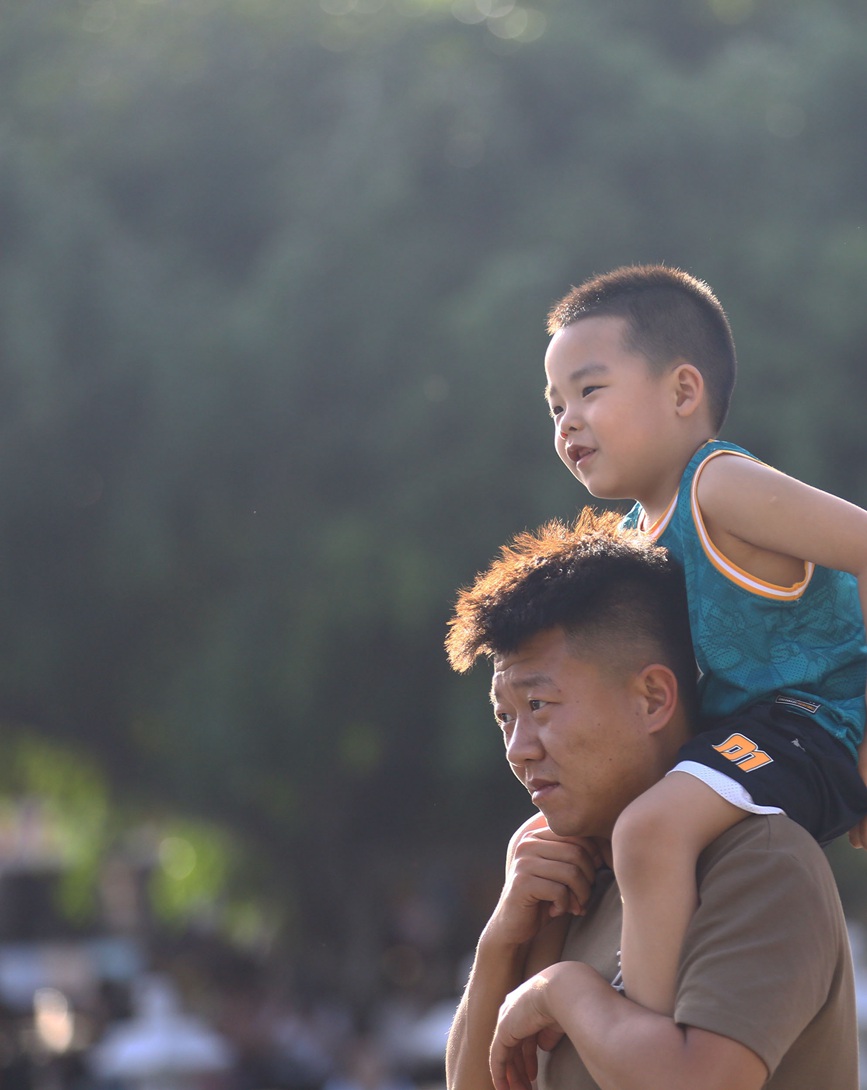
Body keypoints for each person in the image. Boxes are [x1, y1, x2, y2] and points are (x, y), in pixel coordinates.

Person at [543, 264, 867, 1015]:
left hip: (812, 726)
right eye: (554, 405)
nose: (566, 421)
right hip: (735, 743)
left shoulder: (718, 486)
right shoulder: (629, 538)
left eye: (590, 391)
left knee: (649, 833)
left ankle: (647, 1034)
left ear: (683, 391)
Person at [444, 510, 858, 1090]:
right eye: (504, 717)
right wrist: (500, 945)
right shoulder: (565, 880)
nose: (518, 749)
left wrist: (560, 990)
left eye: (539, 706)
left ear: (654, 699)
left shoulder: (759, 861)